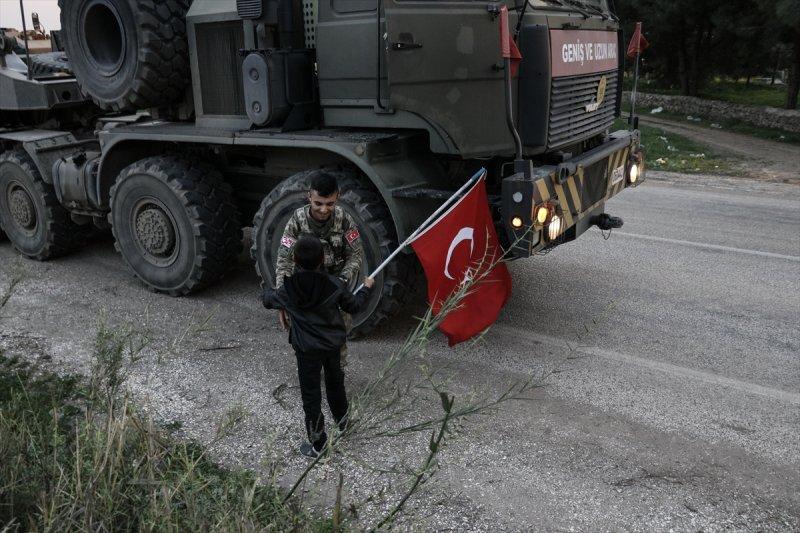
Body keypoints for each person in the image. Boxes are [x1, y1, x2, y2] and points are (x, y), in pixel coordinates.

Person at [262, 235, 374, 458]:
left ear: (294, 258)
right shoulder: (334, 285)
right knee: (335, 385)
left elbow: (268, 300)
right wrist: (366, 288)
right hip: (332, 346)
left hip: (306, 351)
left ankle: (318, 445)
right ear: (323, 258)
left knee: (311, 396)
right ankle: (343, 424)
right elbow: (355, 306)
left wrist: (266, 288)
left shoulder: (288, 290)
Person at [274, 171, 365, 366]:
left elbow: (356, 255)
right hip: (304, 289)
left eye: (330, 204)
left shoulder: (345, 220)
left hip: (333, 289)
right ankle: (310, 372)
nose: (324, 210)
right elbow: (284, 259)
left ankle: (336, 374)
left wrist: (341, 282)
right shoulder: (297, 220)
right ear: (309, 196)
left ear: (337, 197)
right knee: (305, 337)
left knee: (337, 337)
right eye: (318, 203)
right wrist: (282, 297)